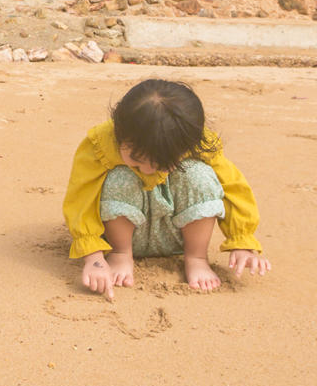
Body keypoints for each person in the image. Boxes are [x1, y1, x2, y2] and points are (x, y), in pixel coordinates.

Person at [64, 78, 270, 294]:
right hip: (125, 235)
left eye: (162, 165)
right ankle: (121, 254)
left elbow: (234, 189)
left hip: (177, 235)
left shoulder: (193, 141)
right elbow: (81, 197)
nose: (147, 170)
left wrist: (241, 241)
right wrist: (94, 257)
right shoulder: (100, 145)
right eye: (136, 160)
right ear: (118, 133)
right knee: (119, 176)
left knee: (200, 174)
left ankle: (197, 257)